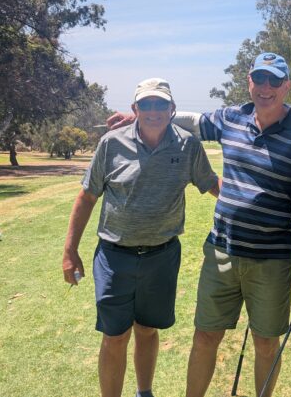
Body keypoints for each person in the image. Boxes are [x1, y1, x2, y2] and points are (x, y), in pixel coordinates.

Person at [107, 52, 291, 397]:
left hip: (273, 260)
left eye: (275, 80)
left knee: (266, 344)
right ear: (249, 81)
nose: (266, 87)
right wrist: (143, 118)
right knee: (205, 335)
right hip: (222, 252)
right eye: (259, 78)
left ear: (287, 86)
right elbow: (193, 121)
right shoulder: (231, 118)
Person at [62, 78, 219, 397]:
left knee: (147, 330)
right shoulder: (111, 143)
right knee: (115, 335)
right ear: (135, 108)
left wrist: (253, 202)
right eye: (146, 104)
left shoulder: (188, 146)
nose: (153, 111)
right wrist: (70, 250)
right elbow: (87, 197)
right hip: (114, 256)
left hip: (162, 256)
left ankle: (144, 392)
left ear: (172, 109)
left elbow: (212, 184)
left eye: (161, 104)